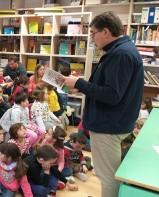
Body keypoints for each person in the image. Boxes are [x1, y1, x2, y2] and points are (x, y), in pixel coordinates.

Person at [60, 11, 144, 197]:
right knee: (109, 173)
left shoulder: (120, 54)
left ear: (105, 32)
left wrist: (80, 83)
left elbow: (112, 95)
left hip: (109, 126)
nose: (92, 38)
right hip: (114, 122)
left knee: (107, 176)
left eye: (93, 34)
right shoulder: (122, 50)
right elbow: (110, 87)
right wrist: (81, 87)